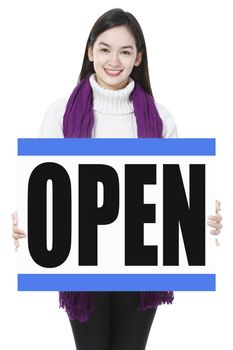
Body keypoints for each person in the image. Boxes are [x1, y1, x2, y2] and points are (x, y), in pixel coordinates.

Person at [12, 8, 222, 350]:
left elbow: (171, 192)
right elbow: (46, 184)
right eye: (105, 48)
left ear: (138, 57)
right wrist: (31, 220)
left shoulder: (160, 118)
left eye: (125, 51)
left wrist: (199, 218)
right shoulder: (60, 113)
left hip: (141, 265)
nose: (114, 60)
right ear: (90, 51)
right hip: (82, 262)